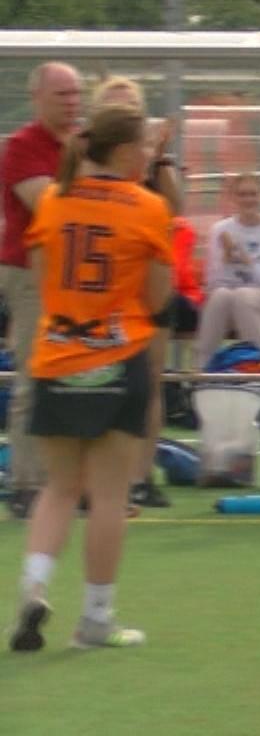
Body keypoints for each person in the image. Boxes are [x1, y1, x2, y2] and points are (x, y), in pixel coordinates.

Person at [9, 103, 172, 653]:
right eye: (146, 146)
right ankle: (96, 619)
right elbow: (156, 298)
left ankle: (33, 588)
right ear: (125, 152)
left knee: (59, 488)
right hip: (117, 359)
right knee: (108, 495)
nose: (150, 155)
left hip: (56, 357)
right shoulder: (148, 207)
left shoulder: (52, 200)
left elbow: (43, 276)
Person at [90, 76, 185, 513]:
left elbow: (175, 208)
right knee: (99, 382)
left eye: (131, 106)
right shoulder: (87, 166)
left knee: (148, 383)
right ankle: (100, 479)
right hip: (102, 292)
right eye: (115, 105)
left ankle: (140, 477)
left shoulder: (153, 162)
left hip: (147, 285)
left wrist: (158, 157)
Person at [2, 61, 84, 520]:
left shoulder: (87, 144)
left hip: (77, 277)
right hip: (30, 273)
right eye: (62, 94)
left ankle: (70, 482)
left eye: (76, 94)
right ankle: (27, 484)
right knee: (35, 377)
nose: (72, 103)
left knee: (78, 378)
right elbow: (47, 204)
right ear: (37, 98)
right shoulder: (21, 147)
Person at [194, 173, 260, 368]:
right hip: (231, 302)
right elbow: (212, 283)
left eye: (253, 194)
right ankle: (201, 370)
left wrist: (250, 265)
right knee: (220, 295)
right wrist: (225, 260)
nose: (248, 200)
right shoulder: (220, 230)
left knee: (244, 296)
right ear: (233, 198)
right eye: (242, 195)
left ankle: (255, 368)